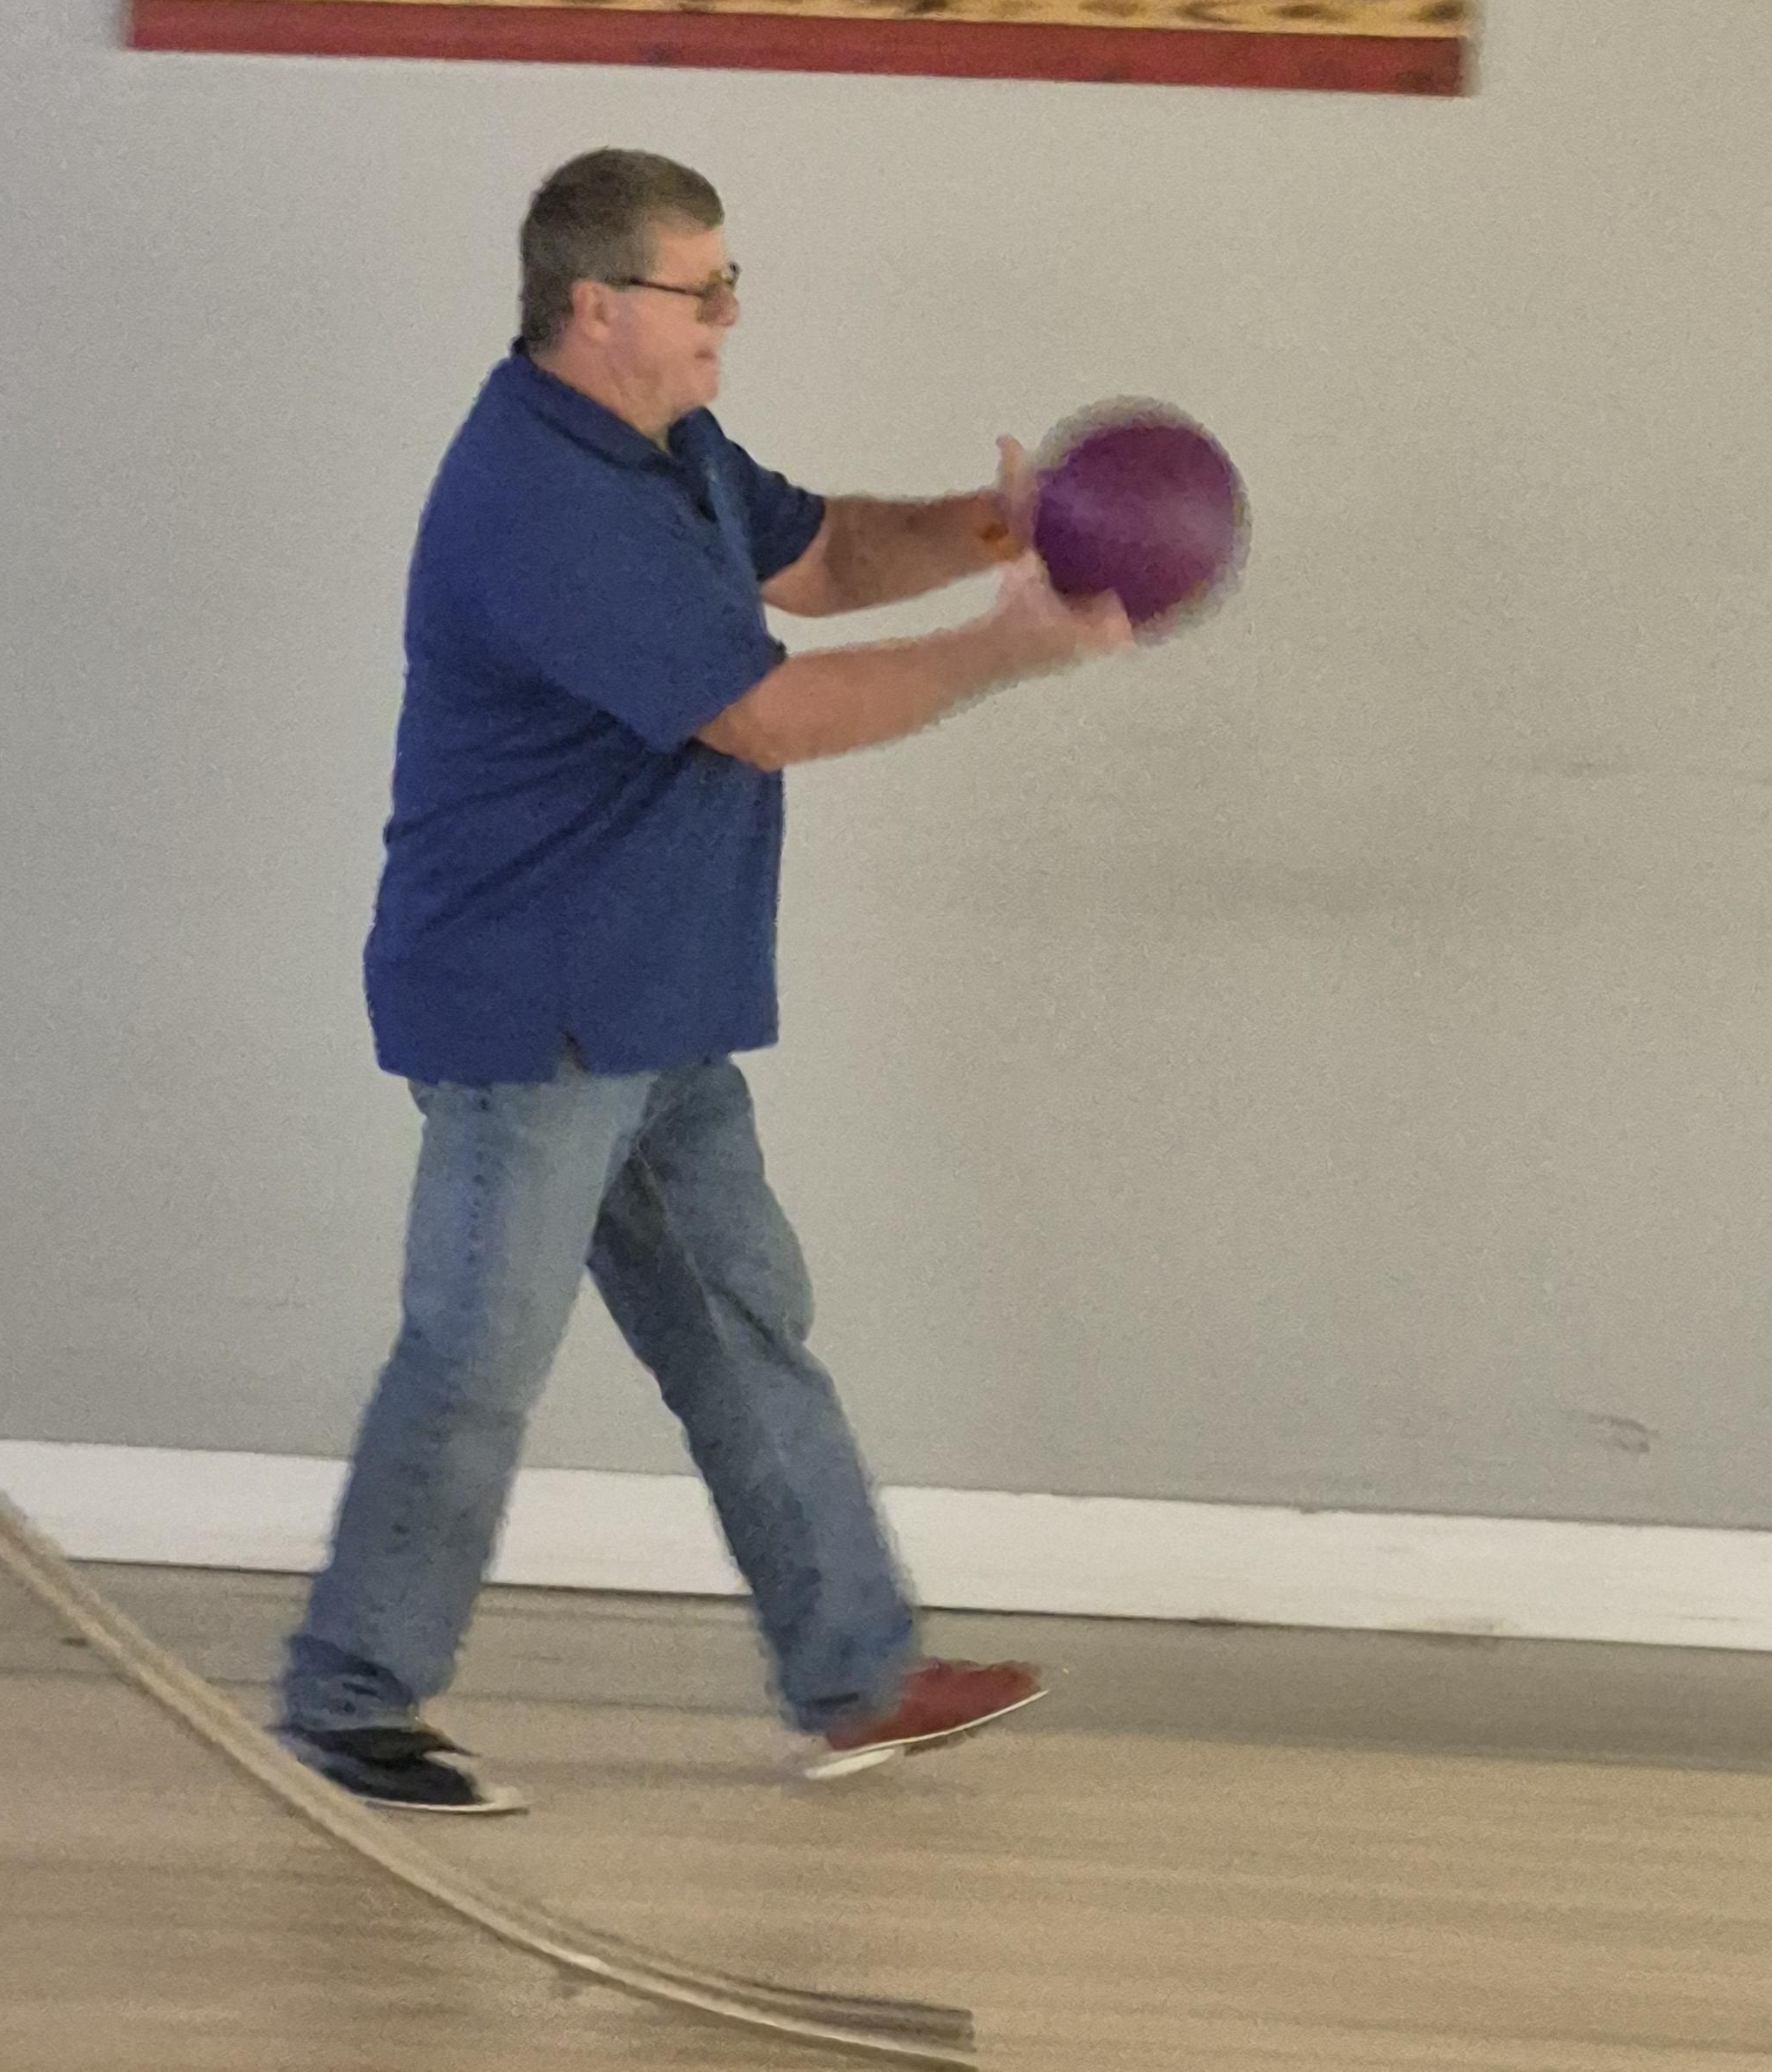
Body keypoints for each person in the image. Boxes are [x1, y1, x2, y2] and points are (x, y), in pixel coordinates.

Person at [279, 149, 1132, 1815]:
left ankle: (858, 1675)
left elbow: (822, 556)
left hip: (650, 996)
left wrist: (993, 527)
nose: (731, 313)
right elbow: (763, 713)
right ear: (595, 306)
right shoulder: (542, 500)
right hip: (532, 1005)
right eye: (705, 287)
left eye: (731, 281)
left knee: (745, 1328)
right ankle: (347, 1705)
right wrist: (1008, 645)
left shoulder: (662, 446)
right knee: (475, 1359)